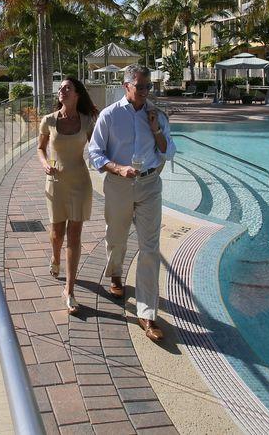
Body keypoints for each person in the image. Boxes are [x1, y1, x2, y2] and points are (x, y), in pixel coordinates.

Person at [87, 64, 176, 341]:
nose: (145, 92)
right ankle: (115, 273)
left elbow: (169, 151)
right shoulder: (109, 116)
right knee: (117, 237)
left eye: (149, 87)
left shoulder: (157, 115)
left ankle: (147, 313)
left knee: (150, 248)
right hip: (118, 184)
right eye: (140, 87)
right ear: (126, 86)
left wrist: (156, 130)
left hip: (149, 184)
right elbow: (94, 153)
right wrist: (117, 168)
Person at [37, 77, 98, 314]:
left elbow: (97, 149)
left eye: (67, 88)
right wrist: (44, 164)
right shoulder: (49, 120)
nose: (62, 91)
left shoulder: (87, 121)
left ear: (77, 95)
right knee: (57, 233)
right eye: (60, 88)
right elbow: (41, 148)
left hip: (80, 183)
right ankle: (55, 258)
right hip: (55, 182)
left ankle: (69, 289)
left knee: (74, 236)